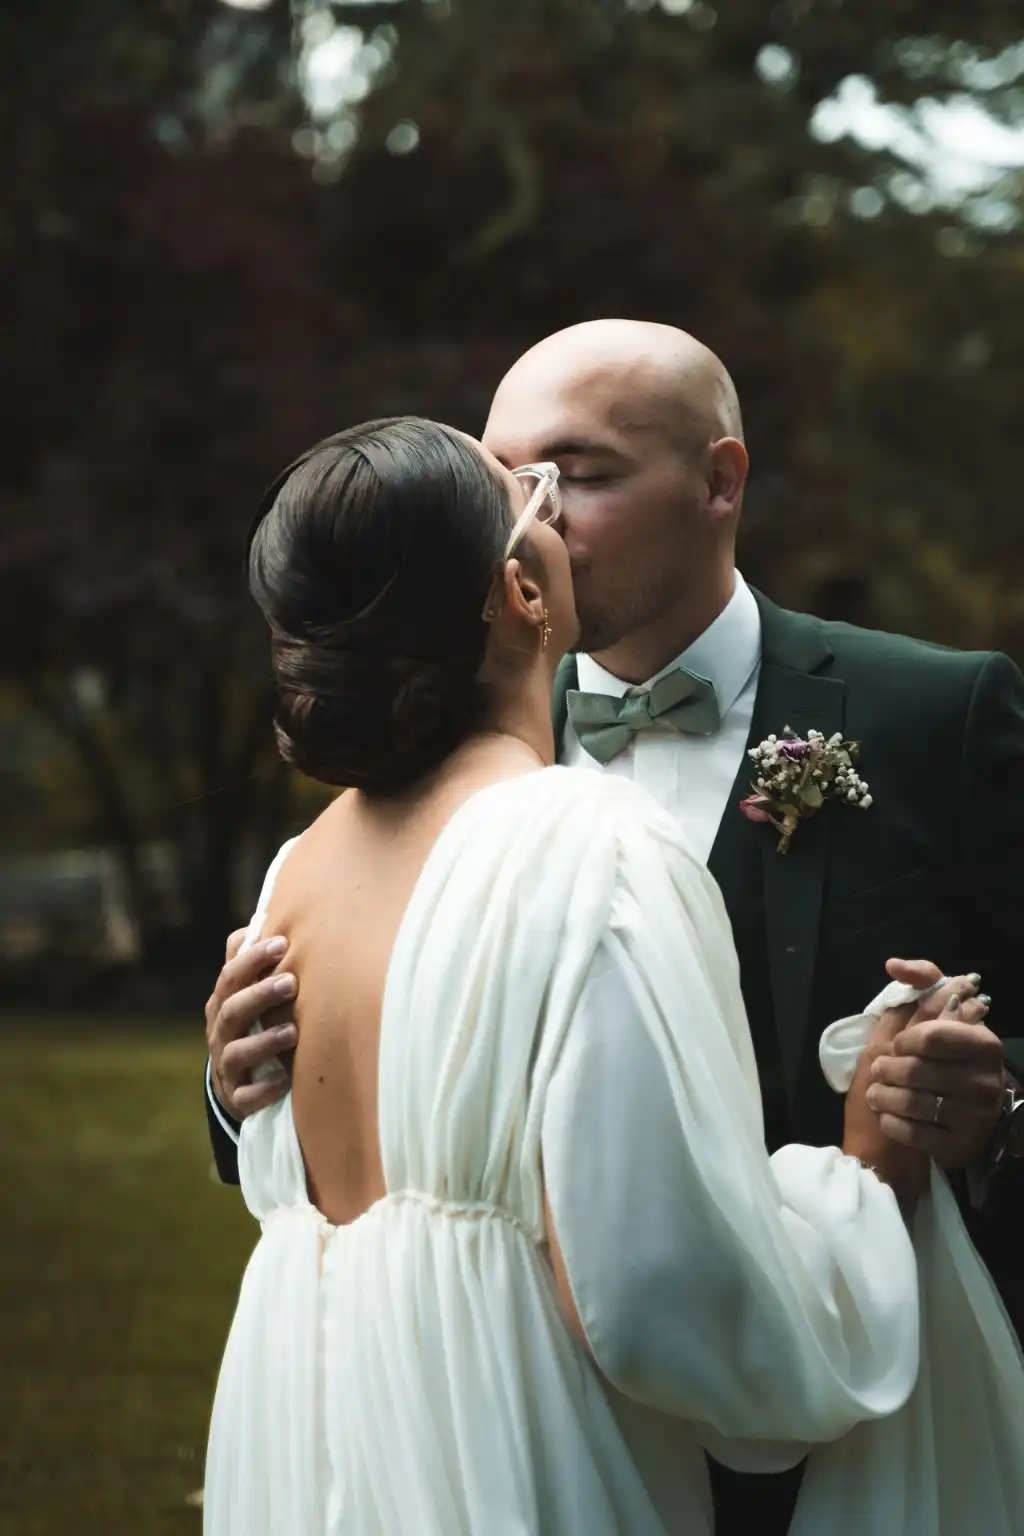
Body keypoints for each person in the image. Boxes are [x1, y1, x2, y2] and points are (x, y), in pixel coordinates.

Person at [204, 324, 1024, 1530]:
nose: (544, 507)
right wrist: (232, 1090)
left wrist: (991, 1113)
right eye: (507, 481)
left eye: (577, 473)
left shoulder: (935, 714)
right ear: (515, 584)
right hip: (575, 1434)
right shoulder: (567, 837)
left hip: (825, 1461)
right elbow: (649, 1295)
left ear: (720, 481)